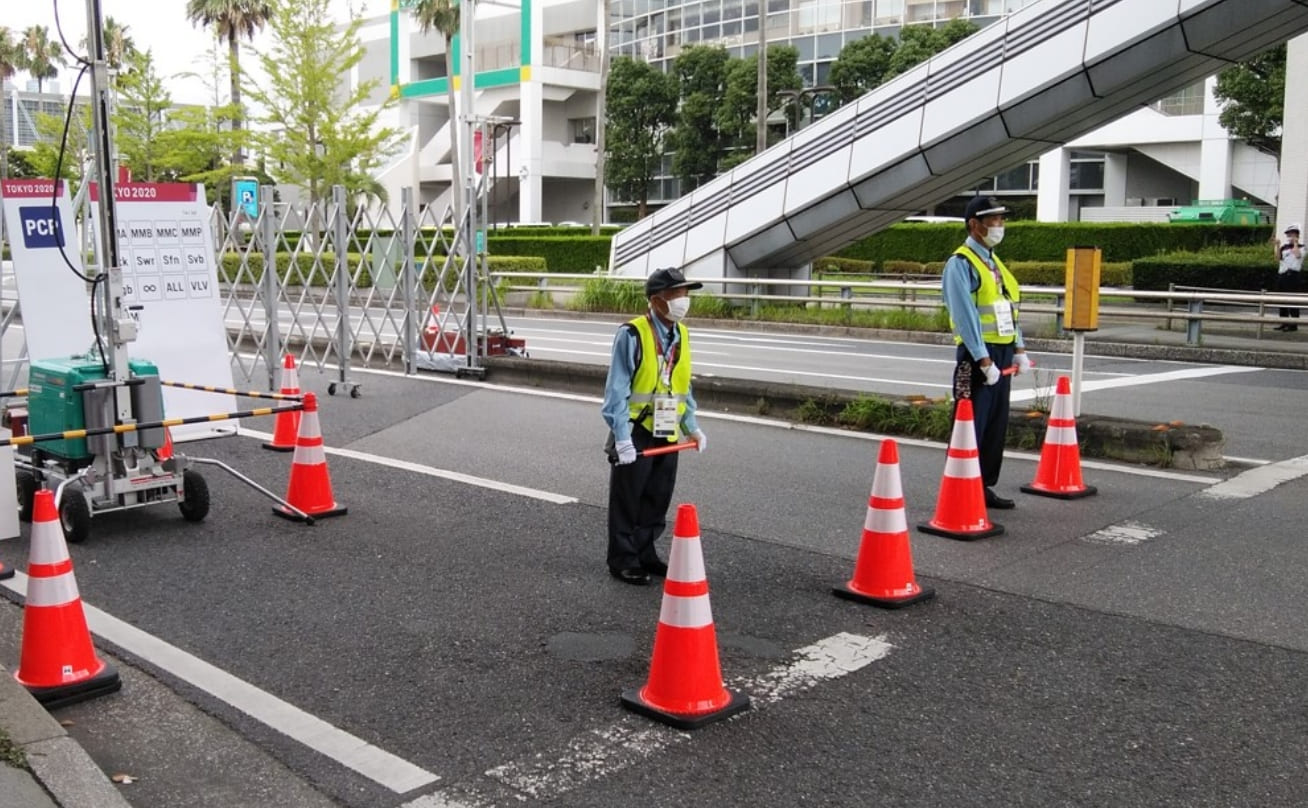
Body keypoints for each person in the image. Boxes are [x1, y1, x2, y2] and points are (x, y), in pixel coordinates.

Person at [601, 267, 708, 585]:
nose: (683, 301)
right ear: (657, 300)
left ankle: (645, 552)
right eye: (676, 295)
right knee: (628, 498)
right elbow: (616, 392)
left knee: (657, 497)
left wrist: (692, 426)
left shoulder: (682, 334)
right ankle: (623, 559)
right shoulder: (632, 334)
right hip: (635, 429)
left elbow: (682, 386)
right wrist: (622, 439)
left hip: (668, 428)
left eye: (685, 294)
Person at [940, 196, 1034, 510]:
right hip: (976, 356)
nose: (999, 225)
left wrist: (1019, 348)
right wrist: (983, 359)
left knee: (995, 425)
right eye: (993, 220)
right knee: (970, 424)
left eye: (1001, 219)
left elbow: (1007, 308)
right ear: (975, 225)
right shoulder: (961, 262)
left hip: (1002, 352)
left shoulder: (994, 262)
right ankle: (959, 487)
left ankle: (982, 487)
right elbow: (965, 316)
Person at [1275, 223, 1303, 331]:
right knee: (1282, 300)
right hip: (1282, 274)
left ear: (1296, 235)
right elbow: (1278, 259)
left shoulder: (1301, 247)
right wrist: (1277, 245)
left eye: (1292, 235)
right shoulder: (1284, 248)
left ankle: (1294, 324)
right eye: (1289, 235)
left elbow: (1298, 255)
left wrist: (1295, 243)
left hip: (1293, 275)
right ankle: (1284, 322)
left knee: (1292, 300)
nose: (1290, 237)